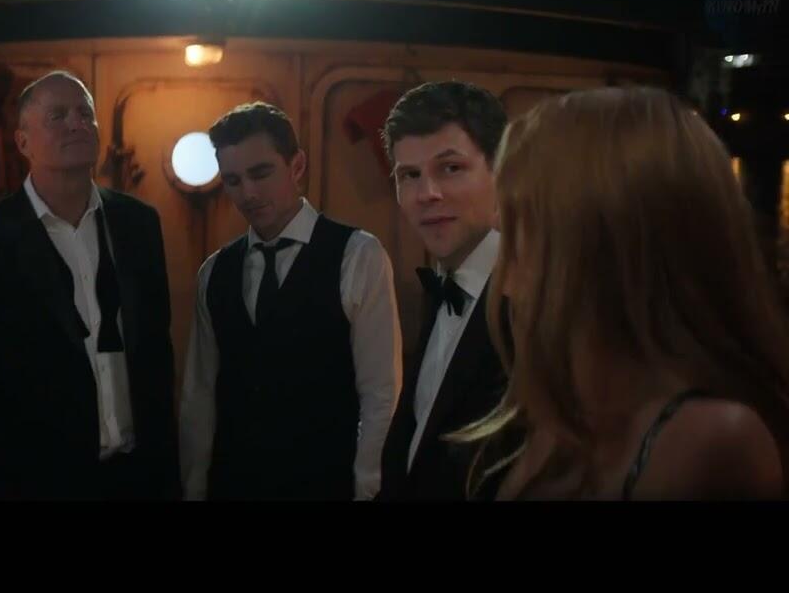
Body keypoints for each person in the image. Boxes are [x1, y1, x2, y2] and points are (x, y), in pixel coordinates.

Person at [458, 86, 789, 500]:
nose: (504, 271)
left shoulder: (712, 441)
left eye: (523, 221)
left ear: (605, 242)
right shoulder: (555, 414)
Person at [0, 71, 180, 500]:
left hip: (136, 477)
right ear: (23, 141)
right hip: (35, 483)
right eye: (58, 116)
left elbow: (157, 355)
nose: (76, 124)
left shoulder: (138, 224)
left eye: (85, 113)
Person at [179, 101, 402, 500]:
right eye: (233, 180)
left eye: (260, 173)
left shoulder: (357, 255)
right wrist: (195, 486)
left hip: (325, 482)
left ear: (296, 166)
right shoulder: (214, 272)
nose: (248, 193)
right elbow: (200, 393)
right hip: (234, 484)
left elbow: (380, 392)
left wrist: (367, 485)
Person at [376, 81, 510, 500]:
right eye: (409, 175)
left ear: (502, 171)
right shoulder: (444, 288)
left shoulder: (531, 303)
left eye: (450, 168)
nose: (427, 194)